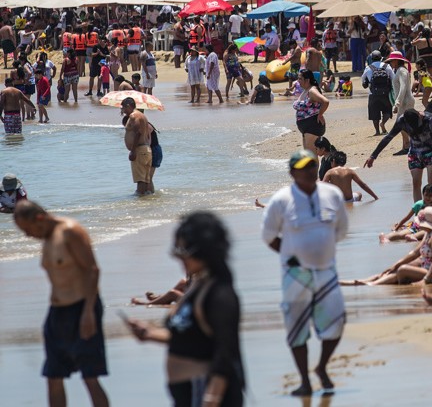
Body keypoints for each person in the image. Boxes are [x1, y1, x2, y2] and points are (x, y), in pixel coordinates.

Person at [125, 212, 245, 406]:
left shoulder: (220, 294)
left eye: (183, 250)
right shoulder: (197, 286)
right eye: (176, 250)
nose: (178, 257)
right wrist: (149, 334)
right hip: (187, 393)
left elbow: (225, 352)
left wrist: (212, 398)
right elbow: (191, 337)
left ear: (204, 249)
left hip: (205, 392)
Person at [262, 150, 348, 396]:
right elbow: (268, 236)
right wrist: (292, 256)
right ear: (292, 173)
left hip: (326, 270)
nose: (310, 171)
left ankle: (321, 367)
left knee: (337, 322)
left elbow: (341, 230)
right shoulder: (281, 200)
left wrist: (320, 250)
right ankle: (304, 381)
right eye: (303, 168)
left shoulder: (332, 195)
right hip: (295, 275)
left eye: (312, 166)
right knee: (296, 329)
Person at [13, 200, 109, 407]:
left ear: (40, 218)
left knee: (90, 377)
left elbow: (92, 271)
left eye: (28, 229)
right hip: (57, 313)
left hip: (82, 308)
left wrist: (88, 313)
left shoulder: (70, 231)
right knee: (53, 375)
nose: (27, 235)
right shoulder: (47, 239)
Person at [350, 206, 432, 286]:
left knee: (403, 270)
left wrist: (426, 279)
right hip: (429, 270)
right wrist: (395, 265)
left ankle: (372, 284)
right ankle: (372, 282)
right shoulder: (429, 234)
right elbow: (415, 253)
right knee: (397, 268)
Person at [365, 109, 432, 202]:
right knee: (416, 183)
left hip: (430, 153)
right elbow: (388, 137)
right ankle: (418, 209)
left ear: (419, 116)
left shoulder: (430, 119)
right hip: (414, 154)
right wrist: (373, 156)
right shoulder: (401, 121)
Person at [121, 96, 152, 195]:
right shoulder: (142, 116)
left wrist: (133, 151)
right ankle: (145, 201)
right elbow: (148, 133)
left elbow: (138, 132)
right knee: (145, 180)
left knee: (140, 180)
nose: (123, 111)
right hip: (146, 149)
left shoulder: (134, 116)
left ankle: (140, 200)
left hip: (140, 150)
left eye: (123, 108)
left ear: (128, 106)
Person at [293, 69, 329, 152]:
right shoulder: (306, 90)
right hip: (307, 127)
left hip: (312, 126)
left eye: (300, 79)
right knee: (308, 155)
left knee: (311, 155)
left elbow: (325, 101)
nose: (298, 81)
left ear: (307, 80)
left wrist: (320, 114)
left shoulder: (312, 91)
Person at [362, 50, 395, 135]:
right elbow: (393, 78)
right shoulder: (387, 66)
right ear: (381, 58)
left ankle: (377, 131)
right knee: (387, 111)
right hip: (386, 94)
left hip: (373, 94)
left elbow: (363, 81)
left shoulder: (368, 68)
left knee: (374, 114)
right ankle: (383, 123)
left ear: (371, 58)